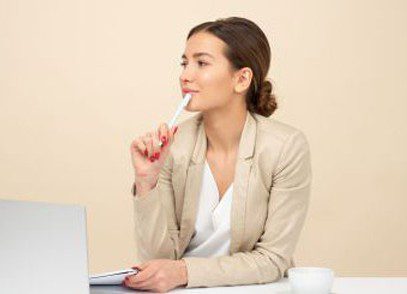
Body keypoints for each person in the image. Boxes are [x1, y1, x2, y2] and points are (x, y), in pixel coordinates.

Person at [124, 17, 312, 292]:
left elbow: (272, 259)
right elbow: (158, 261)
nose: (185, 75)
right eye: (184, 63)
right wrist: (146, 182)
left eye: (201, 63)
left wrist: (184, 271)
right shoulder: (173, 147)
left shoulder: (286, 147)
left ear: (241, 79)